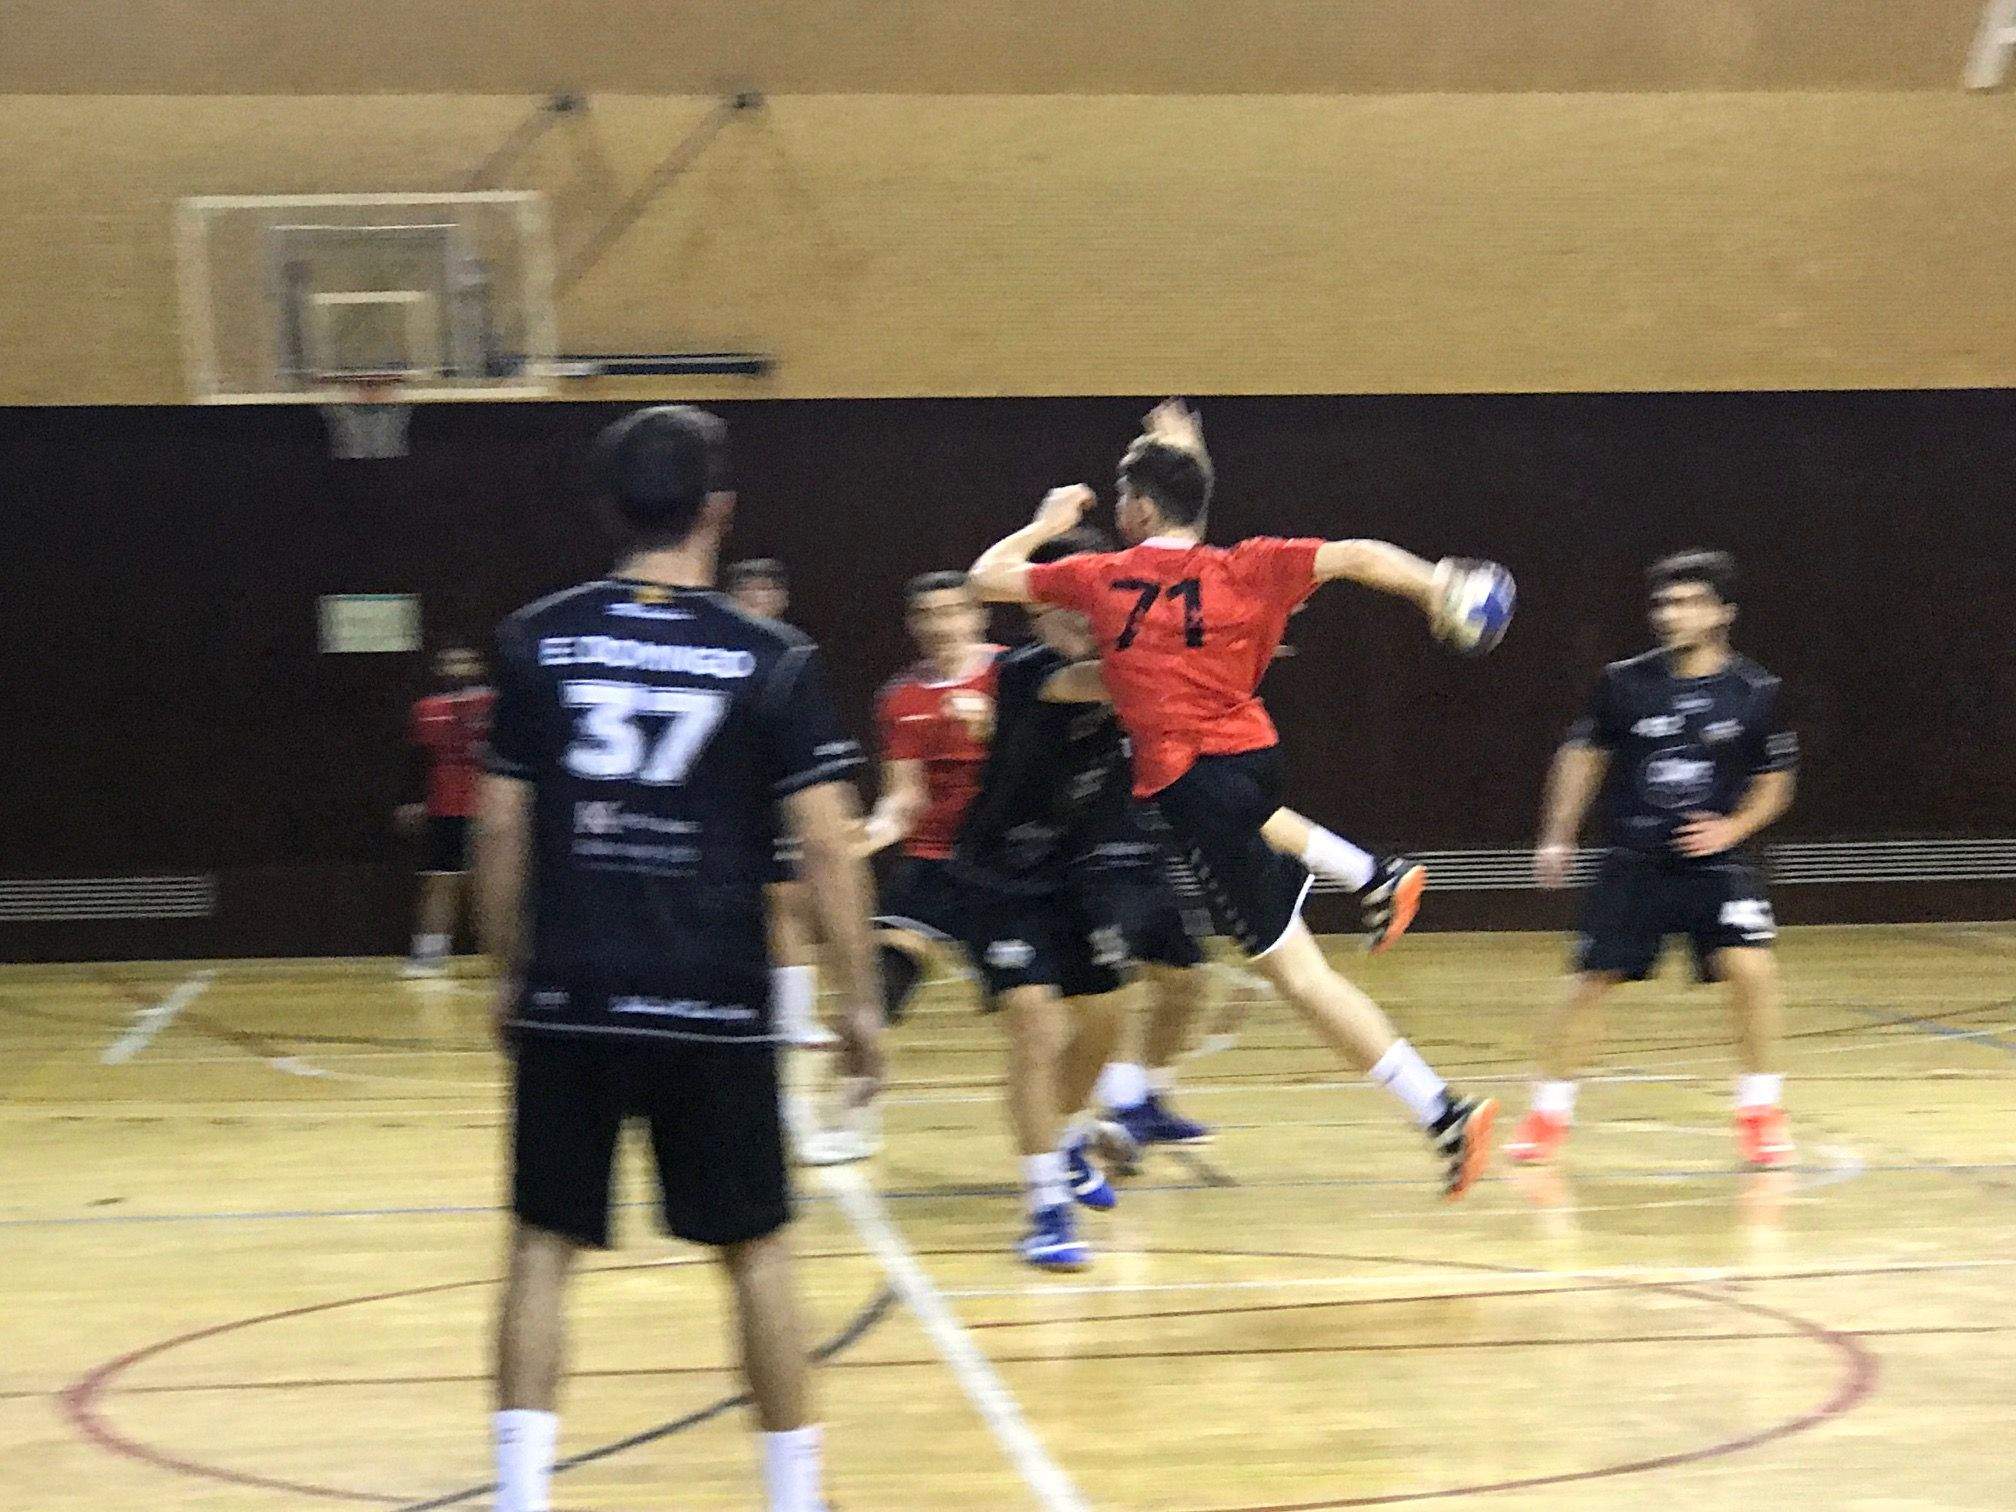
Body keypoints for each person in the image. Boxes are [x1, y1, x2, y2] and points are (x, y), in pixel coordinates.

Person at [473, 405, 883, 1512]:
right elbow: (830, 846)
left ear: (612, 509)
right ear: (718, 510)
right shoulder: (773, 658)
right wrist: (861, 1002)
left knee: (542, 1249)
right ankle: (793, 1498)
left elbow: (500, 827)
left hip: (574, 990)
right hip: (714, 998)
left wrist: (508, 966)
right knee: (755, 1253)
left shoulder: (534, 639)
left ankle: (519, 1497)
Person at [968, 398, 1508, 1199]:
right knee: (1297, 957)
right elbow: (1358, 554)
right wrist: (1436, 586)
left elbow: (985, 577)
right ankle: (1436, 1082)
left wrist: (1046, 521)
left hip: (1197, 790)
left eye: (1127, 498)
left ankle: (1387, 924)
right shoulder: (1248, 564)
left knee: (1295, 972)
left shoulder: (1100, 576)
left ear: (1139, 508)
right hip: (1256, 759)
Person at [947, 527, 1216, 1267]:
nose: (1070, 620)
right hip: (999, 878)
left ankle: (1065, 1137)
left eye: (1086, 605)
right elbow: (1110, 679)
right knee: (1034, 1025)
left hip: (1078, 874)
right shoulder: (1030, 672)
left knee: (1107, 1017)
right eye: (1057, 606)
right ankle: (1045, 1210)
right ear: (1038, 612)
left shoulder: (1131, 664)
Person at [1510, 549, 1799, 1168]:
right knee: (1590, 982)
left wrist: (1733, 828)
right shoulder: (1624, 683)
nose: (1672, 614)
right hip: (1635, 860)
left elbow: (1776, 783)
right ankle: (1546, 1115)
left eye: (1689, 602)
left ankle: (1760, 1111)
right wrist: (1558, 833)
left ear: (1723, 613)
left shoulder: (1757, 691)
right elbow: (1582, 757)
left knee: (1754, 971)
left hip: (1717, 866)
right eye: (1664, 603)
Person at [856, 572, 1002, 1024]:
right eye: (926, 616)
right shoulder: (901, 698)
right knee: (884, 974)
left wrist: (996, 727)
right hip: (935, 857)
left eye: (952, 612)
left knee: (1027, 1004)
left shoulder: (1014, 674)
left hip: (1008, 859)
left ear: (979, 616)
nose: (940, 626)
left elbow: (1045, 765)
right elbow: (903, 796)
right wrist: (867, 836)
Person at [726, 558, 835, 1050]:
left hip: (777, 792)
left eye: (767, 590)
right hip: (725, 797)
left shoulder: (793, 652)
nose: (758, 599)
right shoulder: (718, 648)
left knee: (788, 901)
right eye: (747, 591)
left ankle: (793, 1017)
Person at [398, 644, 494, 977]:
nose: (458, 668)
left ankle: (509, 955)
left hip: (489, 805)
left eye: (466, 660)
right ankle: (428, 954)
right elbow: (416, 761)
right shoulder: (428, 709)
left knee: (498, 881)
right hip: (446, 806)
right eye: (451, 662)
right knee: (441, 880)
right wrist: (413, 800)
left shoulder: (494, 704)